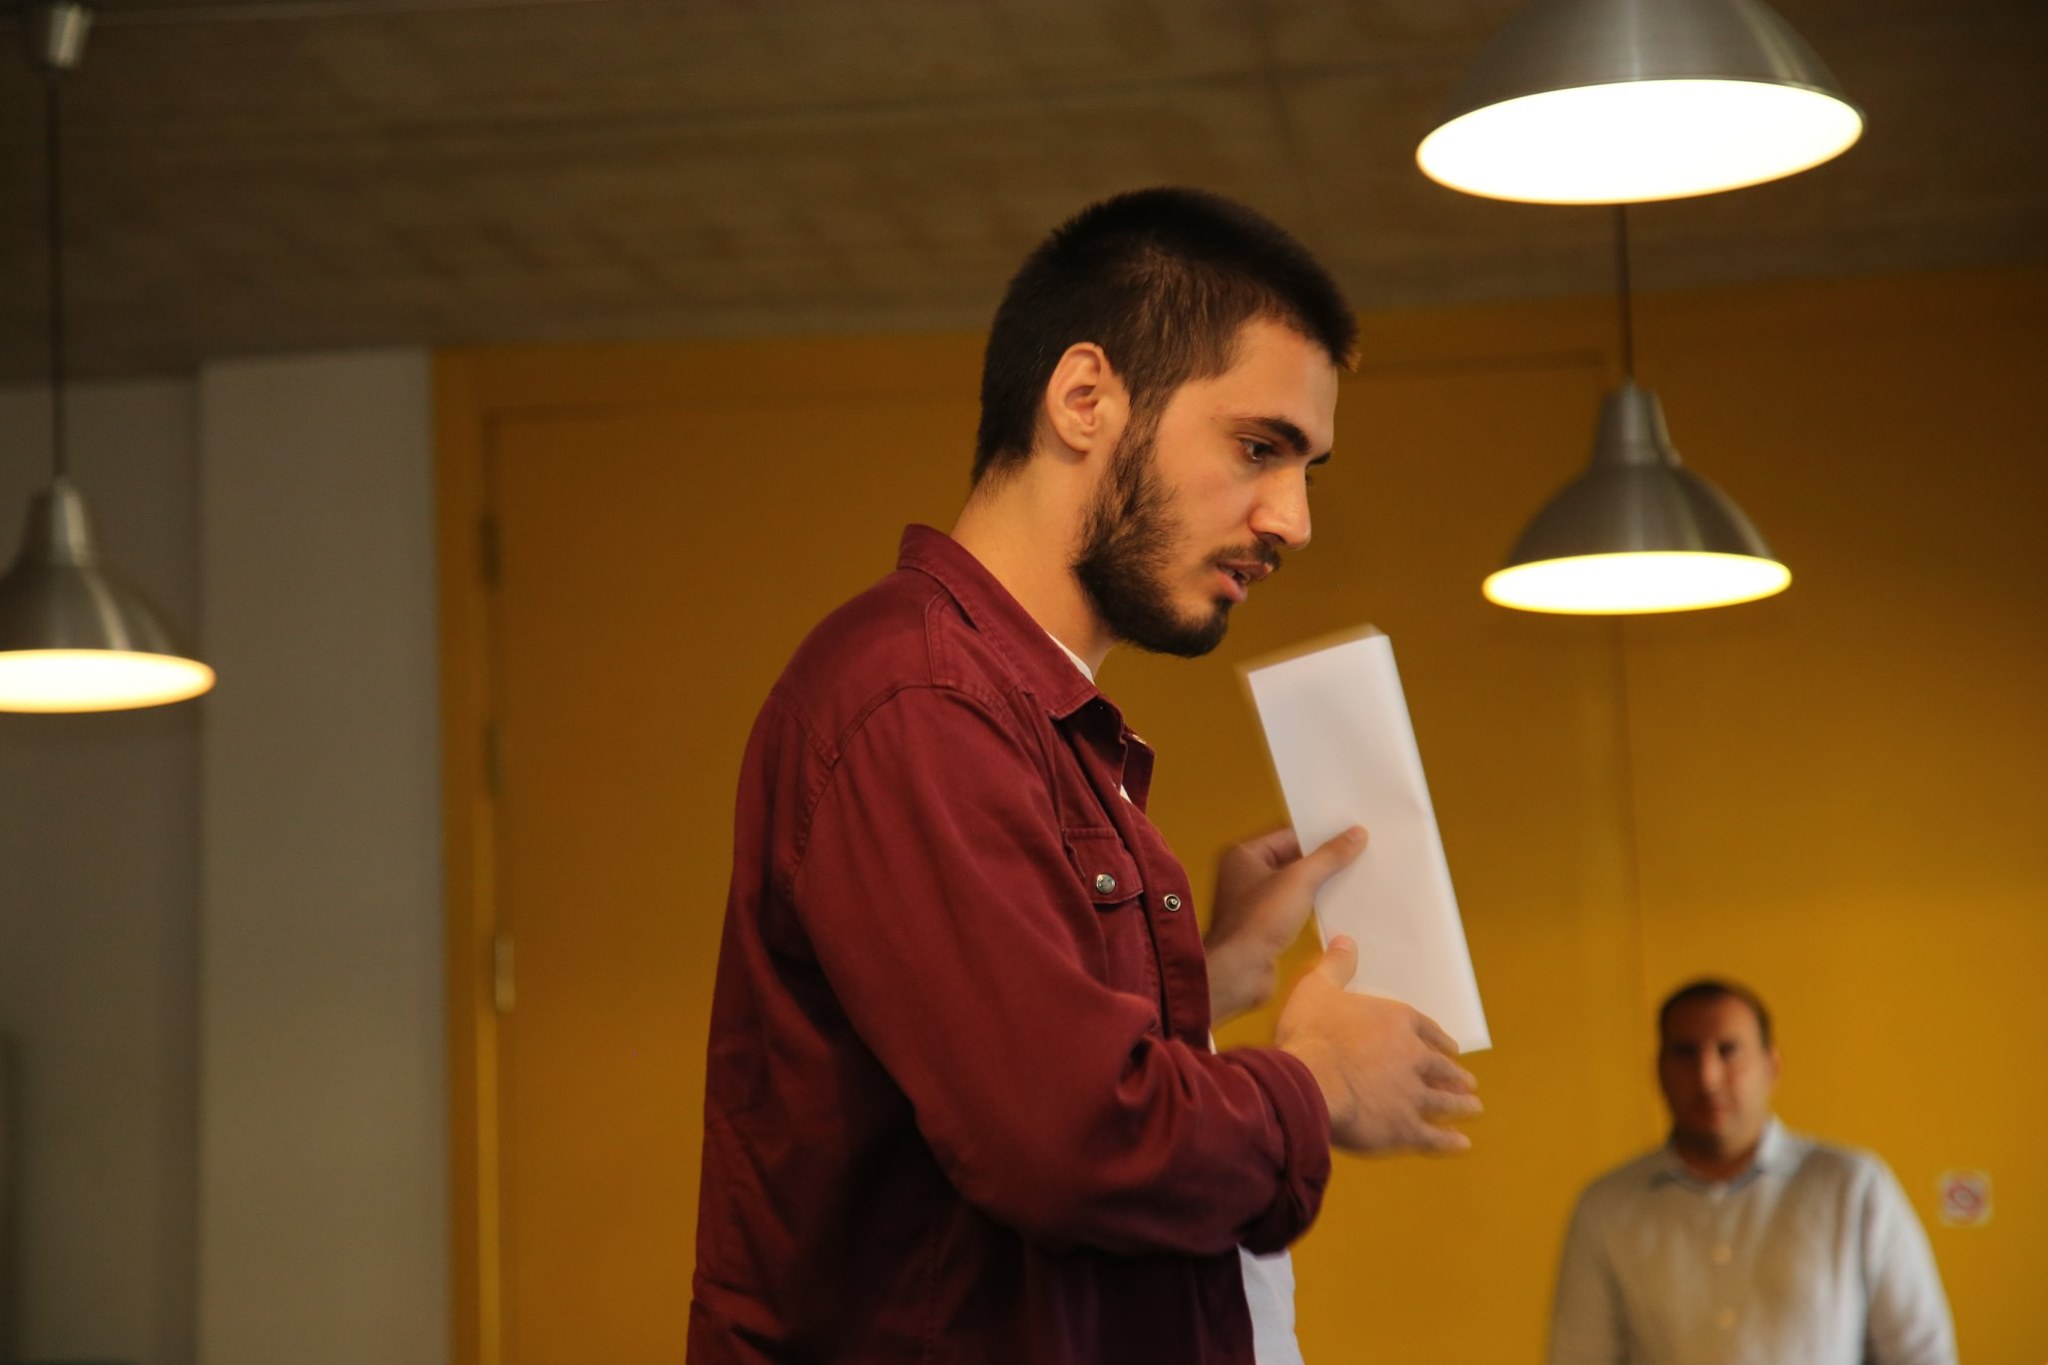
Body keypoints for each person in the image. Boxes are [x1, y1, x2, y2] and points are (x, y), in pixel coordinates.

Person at [687, 187, 1483, 1364]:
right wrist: (1314, 1083)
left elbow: (1006, 1079)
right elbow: (1066, 1146)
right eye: (1257, 447)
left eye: (1305, 467)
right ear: (1083, 399)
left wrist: (1207, 976)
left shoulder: (1006, 708)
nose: (1292, 519)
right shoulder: (921, 700)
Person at [1547, 979, 1956, 1365]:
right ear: (1659, 1070)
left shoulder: (1853, 1186)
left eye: (1729, 1051)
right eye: (1686, 1053)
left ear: (1771, 1065)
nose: (1707, 1077)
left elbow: (1919, 1353)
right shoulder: (1607, 1206)